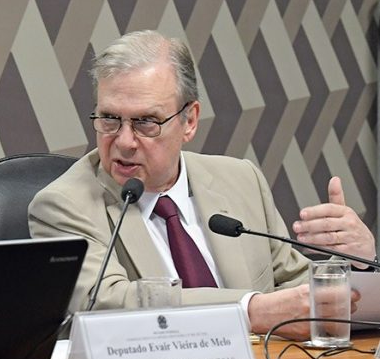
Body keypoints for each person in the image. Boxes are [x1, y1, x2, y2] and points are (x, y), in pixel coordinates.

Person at [28, 30, 374, 341]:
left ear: (190, 121)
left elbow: (297, 290)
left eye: (145, 122)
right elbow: (106, 304)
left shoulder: (240, 180)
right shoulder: (63, 205)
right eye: (109, 119)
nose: (124, 141)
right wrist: (251, 311)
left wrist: (359, 262)